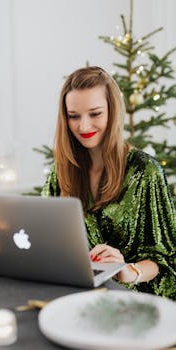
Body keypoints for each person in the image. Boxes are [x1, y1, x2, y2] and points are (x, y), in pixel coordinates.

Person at [41, 66, 176, 300]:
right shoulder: (61, 171)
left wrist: (128, 271)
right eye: (74, 116)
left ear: (112, 112)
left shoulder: (145, 171)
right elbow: (44, 235)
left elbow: (167, 260)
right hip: (77, 296)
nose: (83, 126)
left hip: (134, 302)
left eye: (95, 114)